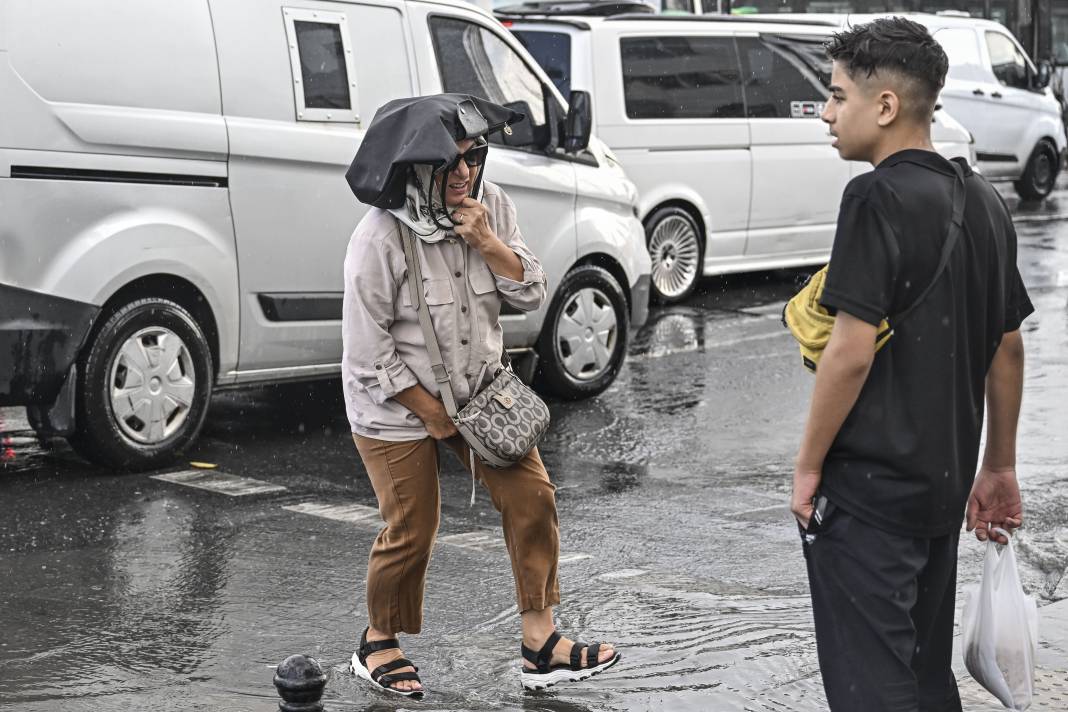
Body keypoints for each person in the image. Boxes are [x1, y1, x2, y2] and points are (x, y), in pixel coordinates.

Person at [790, 18, 1033, 711]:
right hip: (940, 494)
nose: (827, 115)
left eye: (837, 97)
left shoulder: (874, 197)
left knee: (873, 689)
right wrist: (999, 467)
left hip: (869, 496)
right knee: (926, 680)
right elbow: (1007, 346)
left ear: (886, 106)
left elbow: (850, 349)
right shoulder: (985, 201)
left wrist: (808, 468)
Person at [340, 94, 619, 698]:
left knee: (532, 498)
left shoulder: (491, 208)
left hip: (481, 395)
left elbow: (530, 294)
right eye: (450, 163)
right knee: (414, 525)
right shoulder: (379, 237)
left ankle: (541, 644)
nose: (466, 173)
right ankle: (377, 642)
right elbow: (368, 354)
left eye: (475, 157)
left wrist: (489, 244)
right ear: (416, 170)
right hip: (394, 404)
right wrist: (432, 415)